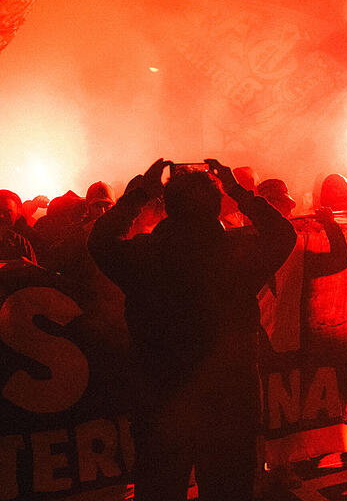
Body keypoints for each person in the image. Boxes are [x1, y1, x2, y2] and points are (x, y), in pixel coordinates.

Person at [89, 159, 296, 500]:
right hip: (229, 405)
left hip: (160, 404)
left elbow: (99, 242)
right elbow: (283, 233)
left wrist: (140, 194)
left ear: (168, 207)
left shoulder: (145, 255)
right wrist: (237, 191)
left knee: (160, 492)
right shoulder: (237, 252)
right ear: (216, 206)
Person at [0, 190, 36, 262]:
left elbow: (33, 268)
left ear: (18, 214)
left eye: (7, 212)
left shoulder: (21, 242)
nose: (1, 216)